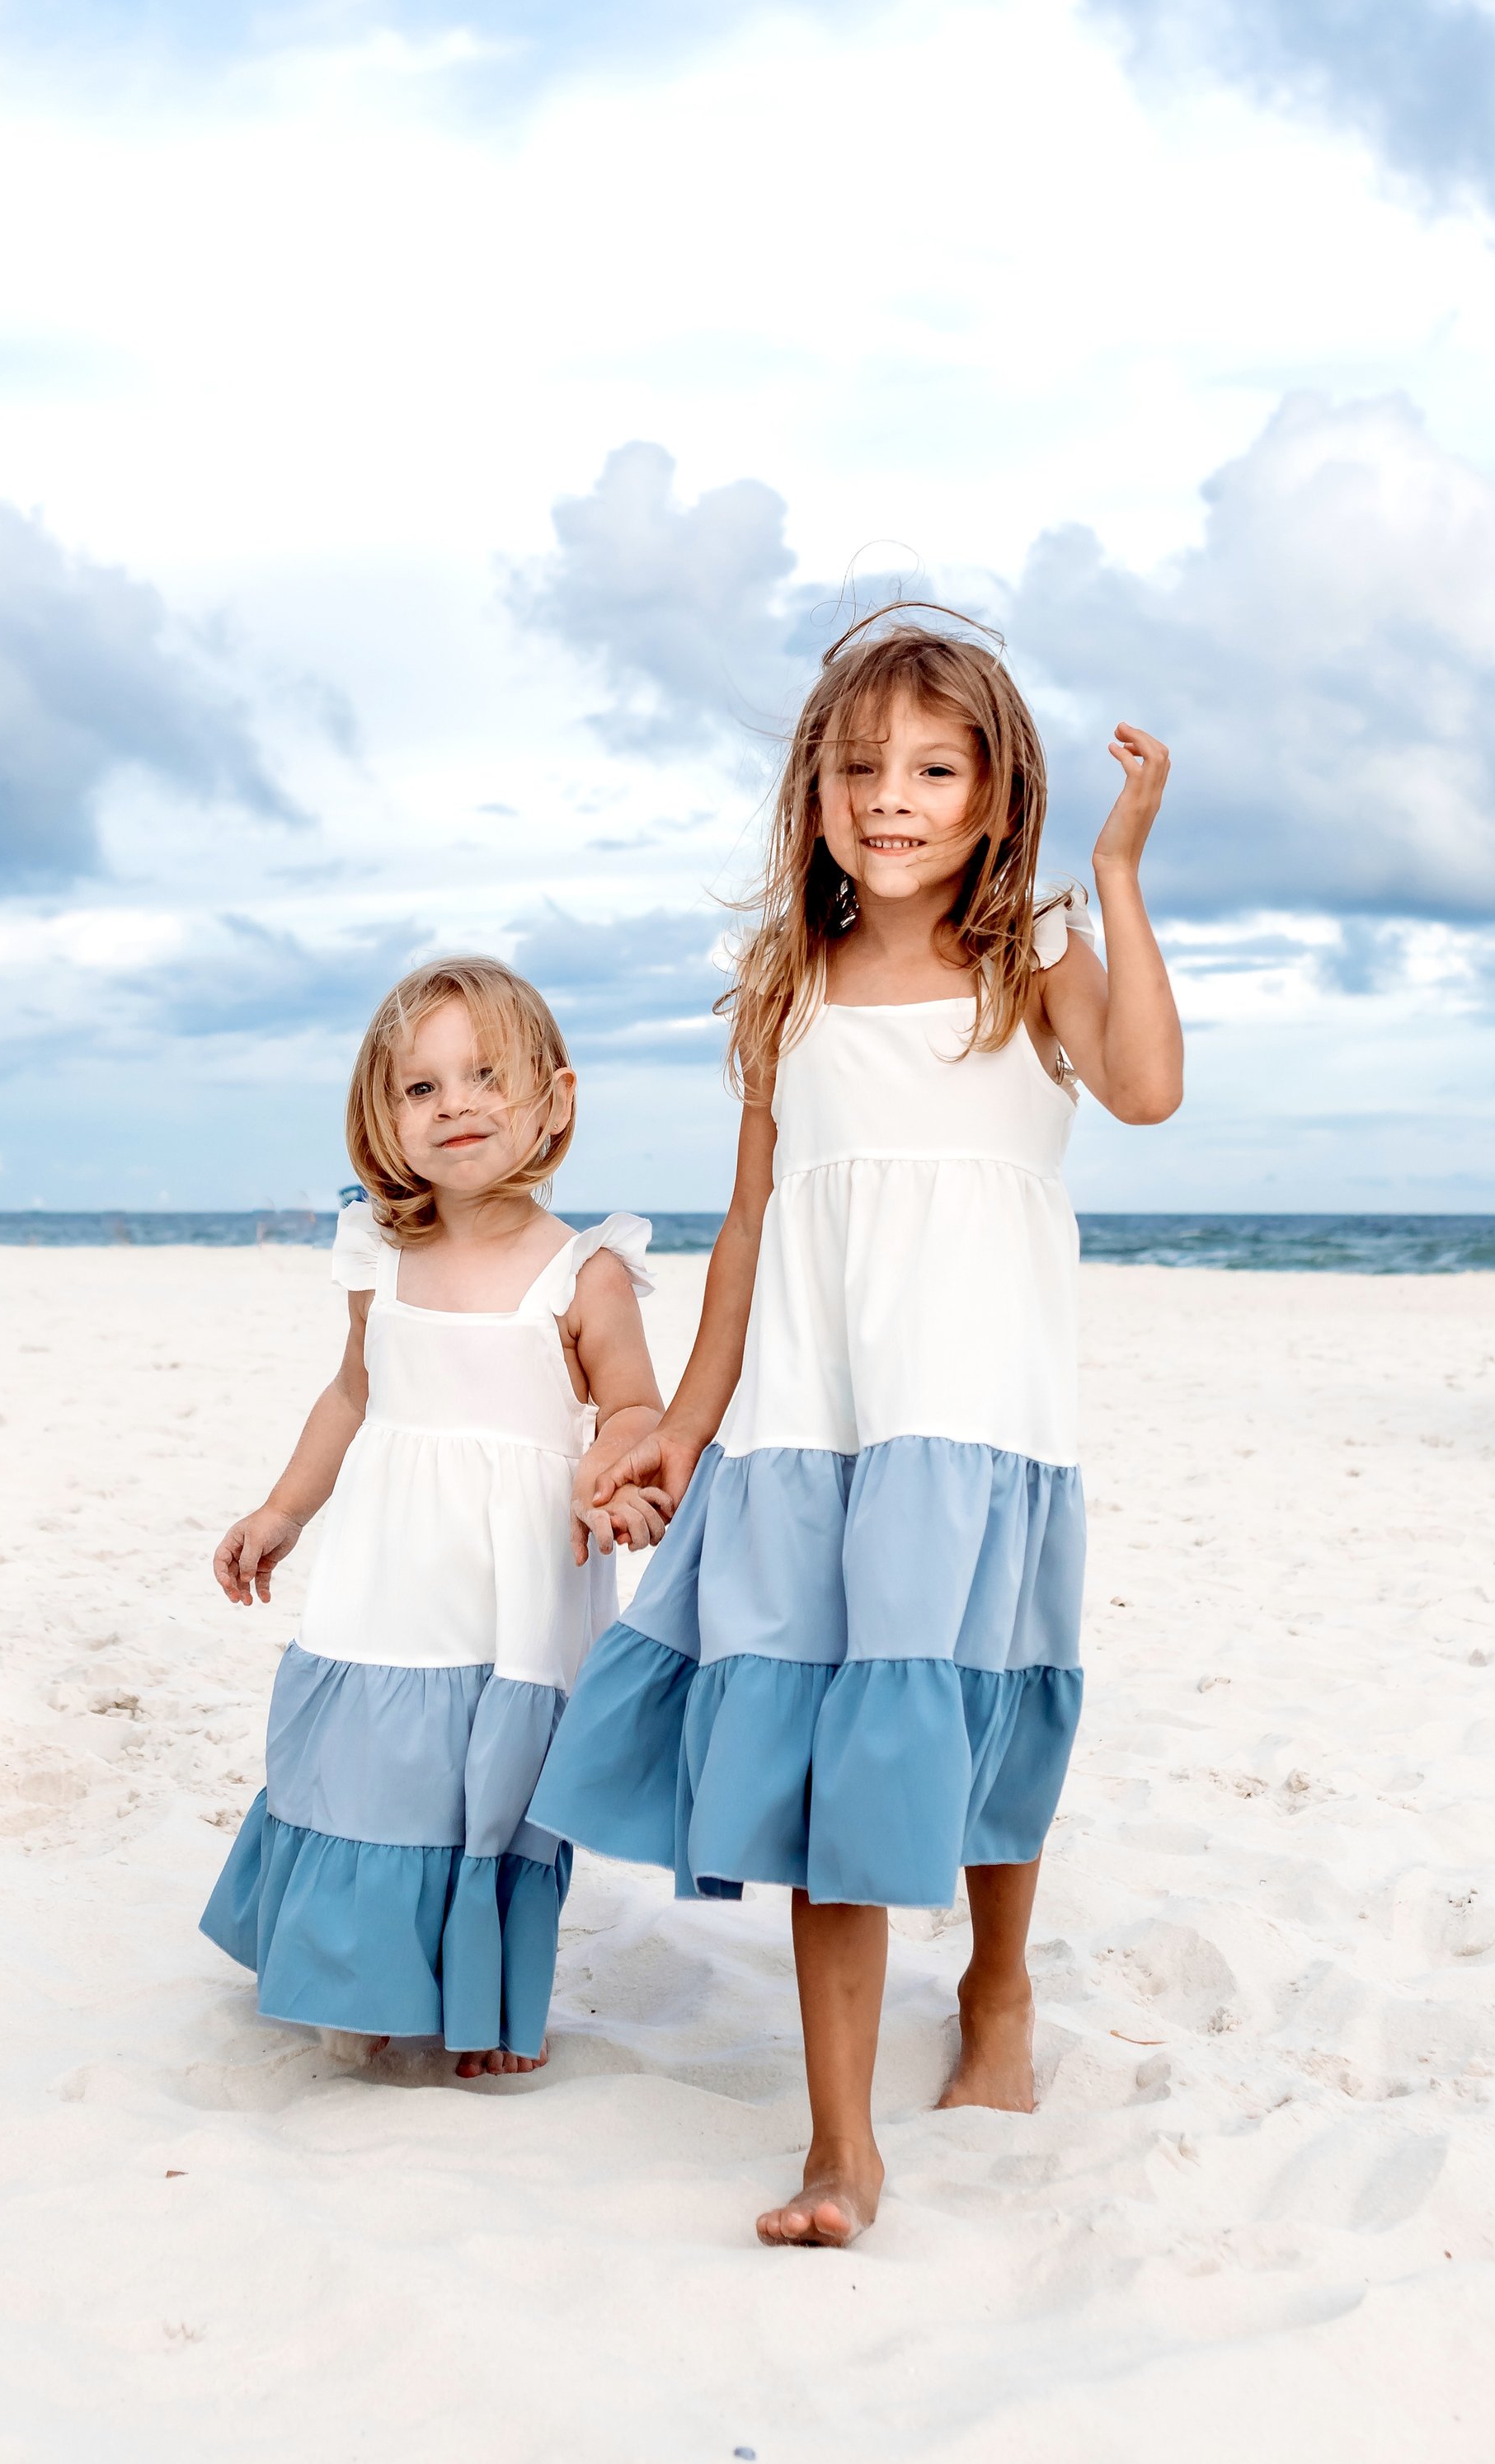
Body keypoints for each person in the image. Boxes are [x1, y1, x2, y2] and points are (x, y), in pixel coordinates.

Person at [534, 608, 1183, 2236]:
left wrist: (1111, 877)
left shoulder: (1028, 954)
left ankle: (1000, 1983)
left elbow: (1147, 1089)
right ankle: (841, 2147)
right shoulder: (782, 986)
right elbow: (748, 1223)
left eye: (931, 768)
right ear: (811, 793)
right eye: (857, 767)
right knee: (839, 1758)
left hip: (973, 1426)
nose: (889, 797)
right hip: (811, 1432)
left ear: (992, 794)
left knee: (972, 1717)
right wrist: (685, 1421)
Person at [201, 957, 667, 2077]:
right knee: (368, 1771)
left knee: (491, 1795)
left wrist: (618, 1474)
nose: (455, 1104)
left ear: (554, 1098)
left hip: (516, 1593)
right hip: (390, 1574)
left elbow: (635, 1404)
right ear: (383, 1114)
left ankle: (485, 1997)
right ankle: (353, 1975)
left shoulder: (583, 1270)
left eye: (486, 1076)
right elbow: (353, 1392)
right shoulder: (382, 1251)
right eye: (421, 1087)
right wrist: (283, 1508)